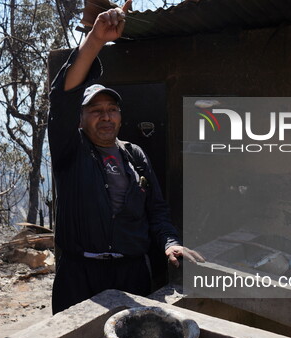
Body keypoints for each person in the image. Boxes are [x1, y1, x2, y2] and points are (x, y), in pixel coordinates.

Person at [48, 1, 202, 314]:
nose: (105, 117)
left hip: (132, 275)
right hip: (80, 278)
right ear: (80, 119)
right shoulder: (70, 150)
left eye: (112, 110)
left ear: (120, 116)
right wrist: (95, 41)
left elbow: (156, 210)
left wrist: (170, 242)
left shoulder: (134, 154)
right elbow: (63, 97)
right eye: (95, 111)